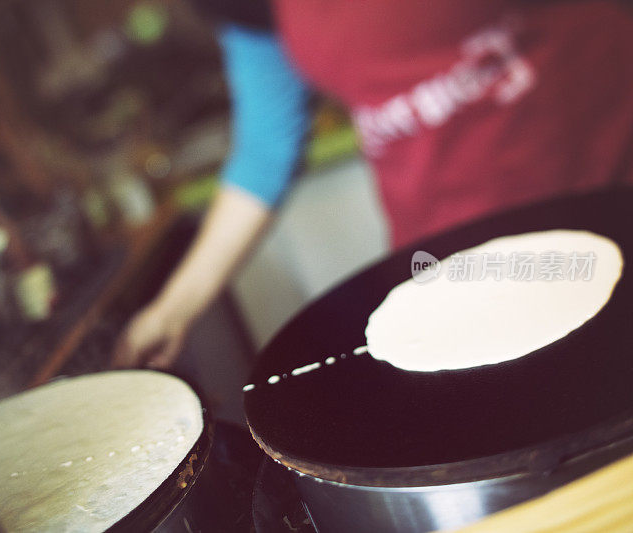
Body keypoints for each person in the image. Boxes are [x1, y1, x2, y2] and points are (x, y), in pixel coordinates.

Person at [111, 0, 633, 369]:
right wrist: (172, 308)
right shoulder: (250, 6)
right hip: (445, 255)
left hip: (604, 195)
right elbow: (267, 147)